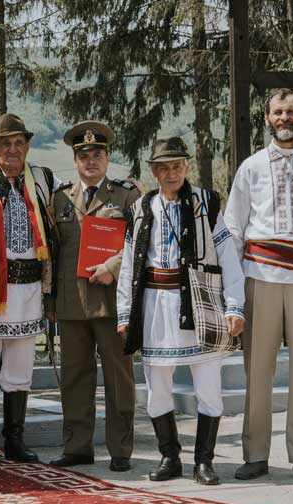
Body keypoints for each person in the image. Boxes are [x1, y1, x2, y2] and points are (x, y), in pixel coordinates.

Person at [117, 138, 245, 484]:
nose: (171, 172)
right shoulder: (143, 208)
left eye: (176, 165)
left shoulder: (206, 203)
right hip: (156, 304)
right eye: (163, 167)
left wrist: (235, 305)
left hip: (200, 304)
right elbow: (129, 265)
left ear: (185, 167)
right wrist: (125, 314)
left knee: (208, 385)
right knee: (158, 385)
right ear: (154, 171)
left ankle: (204, 461)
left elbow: (228, 256)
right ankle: (169, 457)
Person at [224, 89, 293, 481]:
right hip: (260, 276)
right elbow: (234, 229)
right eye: (277, 112)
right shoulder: (250, 168)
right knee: (258, 369)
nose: (284, 118)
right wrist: (232, 293)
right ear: (266, 119)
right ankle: (255, 453)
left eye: (291, 112)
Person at [47, 121, 139, 471]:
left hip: (113, 301)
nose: (90, 161)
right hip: (71, 304)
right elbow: (53, 253)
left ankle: (120, 449)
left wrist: (114, 266)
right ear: (74, 160)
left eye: (97, 154)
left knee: (119, 378)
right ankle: (77, 446)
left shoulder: (126, 196)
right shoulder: (60, 198)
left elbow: (138, 244)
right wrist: (50, 303)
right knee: (74, 378)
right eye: (83, 155)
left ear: (107, 157)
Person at [0, 114, 56, 465]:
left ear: (28, 145)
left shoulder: (42, 179)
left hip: (31, 287)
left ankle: (14, 441)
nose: (12, 149)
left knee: (20, 369)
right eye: (5, 143)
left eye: (19, 142)